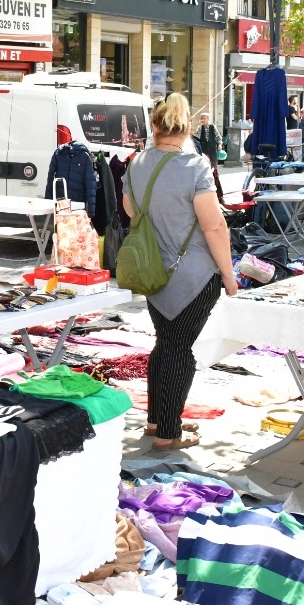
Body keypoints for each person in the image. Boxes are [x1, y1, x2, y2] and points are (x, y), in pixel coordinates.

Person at [122, 94, 238, 451]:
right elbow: (214, 226)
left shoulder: (137, 164)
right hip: (193, 275)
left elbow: (129, 211)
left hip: (153, 272)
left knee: (167, 344)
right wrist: (231, 278)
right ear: (187, 127)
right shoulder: (196, 166)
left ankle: (157, 420)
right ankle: (168, 434)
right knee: (179, 350)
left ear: (154, 127)